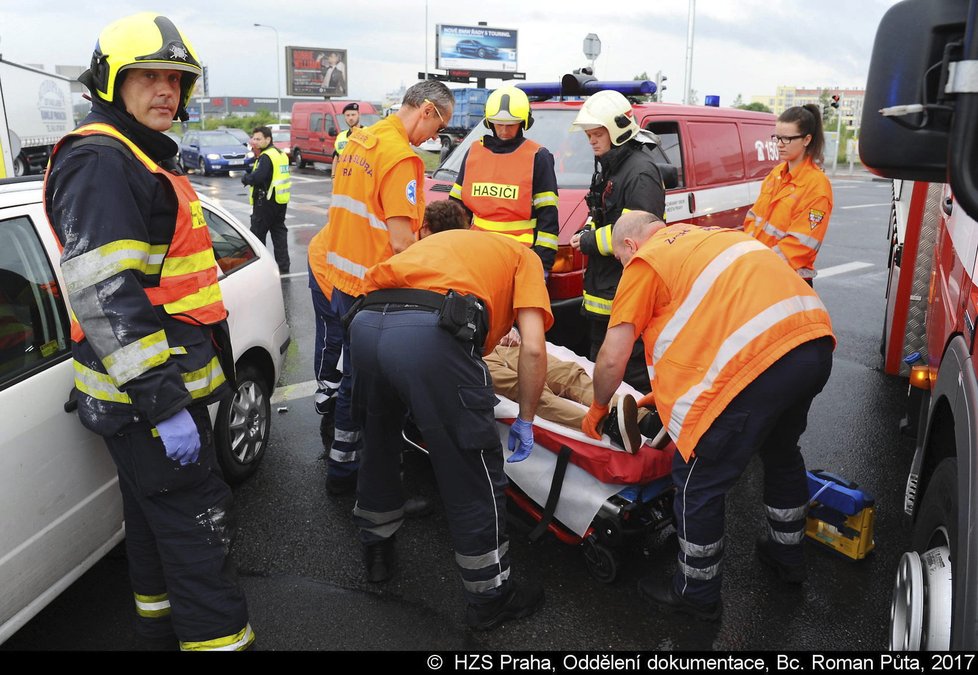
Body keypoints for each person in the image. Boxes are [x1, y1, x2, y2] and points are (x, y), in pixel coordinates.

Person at [43, 12, 254, 650]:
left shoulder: (133, 154)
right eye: (148, 77)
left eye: (176, 79)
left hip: (149, 397)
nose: (166, 90)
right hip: (151, 401)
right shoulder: (103, 160)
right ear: (111, 81)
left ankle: (156, 632)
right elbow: (106, 295)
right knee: (199, 533)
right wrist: (165, 406)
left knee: (154, 520)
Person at [584, 210, 835, 622]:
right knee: (781, 451)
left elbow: (612, 359)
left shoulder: (645, 262)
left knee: (696, 476)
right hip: (811, 343)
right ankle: (786, 556)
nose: (624, 269)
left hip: (760, 364)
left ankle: (696, 593)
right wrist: (656, 396)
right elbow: (713, 329)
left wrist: (597, 408)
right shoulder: (708, 238)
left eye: (621, 260)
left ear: (630, 245)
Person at [348, 225, 552, 630]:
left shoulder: (450, 245)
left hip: (366, 323)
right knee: (472, 467)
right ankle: (491, 596)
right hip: (430, 335)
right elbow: (533, 345)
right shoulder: (524, 257)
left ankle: (377, 549)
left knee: (380, 443)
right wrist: (526, 419)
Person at [312, 80, 454, 495]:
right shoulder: (401, 159)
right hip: (373, 293)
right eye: (438, 127)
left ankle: (342, 470)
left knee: (352, 382)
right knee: (373, 393)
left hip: (341, 282)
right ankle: (360, 481)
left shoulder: (360, 141)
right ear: (426, 110)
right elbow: (402, 243)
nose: (434, 138)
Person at [569, 90, 667, 394]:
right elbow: (598, 213)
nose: (592, 141)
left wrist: (587, 242)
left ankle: (643, 433)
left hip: (624, 293)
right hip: (605, 292)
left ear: (618, 130)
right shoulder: (612, 165)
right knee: (601, 367)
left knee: (630, 375)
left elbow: (635, 236)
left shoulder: (640, 173)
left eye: (597, 134)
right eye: (589, 135)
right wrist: (585, 229)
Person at [448, 86, 559, 274]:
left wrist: (542, 264)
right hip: (476, 253)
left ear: (524, 123)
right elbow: (456, 207)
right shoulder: (474, 152)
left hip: (519, 257)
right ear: (489, 123)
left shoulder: (538, 157)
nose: (504, 130)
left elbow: (548, 216)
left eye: (511, 124)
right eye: (499, 124)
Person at [743, 105, 833, 285]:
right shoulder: (776, 174)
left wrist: (760, 263)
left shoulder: (817, 186)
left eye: (787, 139)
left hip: (788, 280)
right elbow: (754, 219)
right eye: (777, 137)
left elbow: (801, 246)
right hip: (761, 271)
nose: (779, 144)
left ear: (807, 139)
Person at [242, 125, 291, 274]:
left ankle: (260, 269)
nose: (255, 141)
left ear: (268, 139)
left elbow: (258, 177)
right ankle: (283, 266)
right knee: (279, 234)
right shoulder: (280, 154)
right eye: (254, 138)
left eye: (258, 139)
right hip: (280, 201)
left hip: (266, 202)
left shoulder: (266, 156)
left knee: (257, 236)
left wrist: (246, 179)